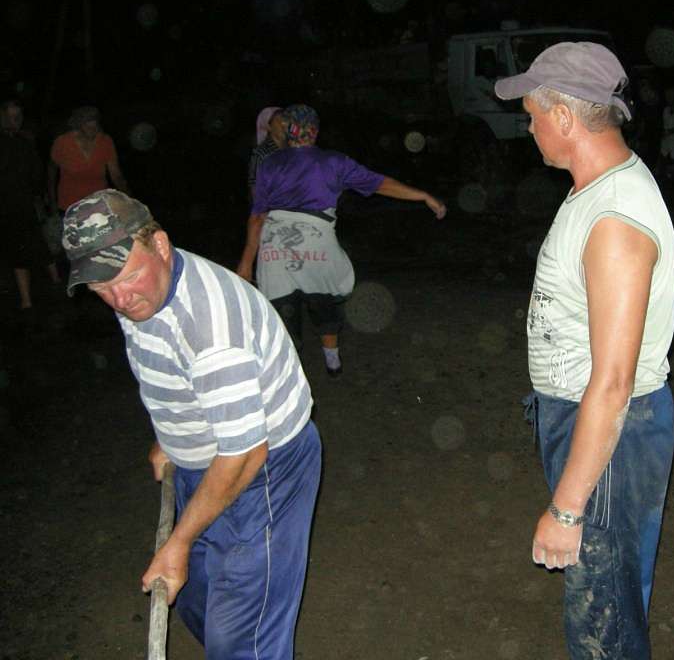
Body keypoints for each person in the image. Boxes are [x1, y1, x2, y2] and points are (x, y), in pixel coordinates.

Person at [61, 189, 320, 659]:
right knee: (197, 600)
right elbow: (160, 361)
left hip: (262, 469)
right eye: (102, 288)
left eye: (127, 278)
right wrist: (171, 435)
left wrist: (178, 540)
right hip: (211, 455)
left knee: (242, 636)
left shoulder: (213, 330)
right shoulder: (142, 286)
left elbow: (245, 454)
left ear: (161, 245)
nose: (120, 298)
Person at [495, 42, 674, 660]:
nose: (531, 127)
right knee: (615, 597)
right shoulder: (597, 190)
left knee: (604, 622)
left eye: (534, 115)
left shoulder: (616, 218)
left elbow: (615, 382)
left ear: (566, 119)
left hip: (609, 434)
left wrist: (568, 509)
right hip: (591, 423)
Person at [236, 104, 447, 377]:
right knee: (324, 299)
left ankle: (290, 373)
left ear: (289, 131)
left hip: (275, 248)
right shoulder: (334, 161)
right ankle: (332, 362)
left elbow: (257, 217)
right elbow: (380, 183)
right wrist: (423, 196)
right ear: (316, 131)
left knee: (284, 314)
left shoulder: (270, 165)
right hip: (316, 245)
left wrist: (245, 264)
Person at [0, 100, 58, 309]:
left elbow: (36, 174)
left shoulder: (24, 142)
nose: (15, 121)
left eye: (18, 117)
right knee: (20, 249)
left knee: (32, 247)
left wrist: (40, 197)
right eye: (11, 116)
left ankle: (32, 298)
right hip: (7, 204)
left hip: (22, 205)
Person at [48, 106, 130, 213]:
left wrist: (129, 200)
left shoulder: (105, 142)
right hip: (70, 206)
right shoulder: (62, 143)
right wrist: (52, 202)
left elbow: (117, 176)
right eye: (88, 126)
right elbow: (51, 173)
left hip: (98, 206)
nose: (93, 129)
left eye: (95, 126)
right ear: (78, 125)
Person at [247, 106, 287, 196]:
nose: (284, 124)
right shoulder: (262, 152)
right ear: (269, 126)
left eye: (286, 120)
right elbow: (255, 186)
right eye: (279, 121)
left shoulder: (293, 149)